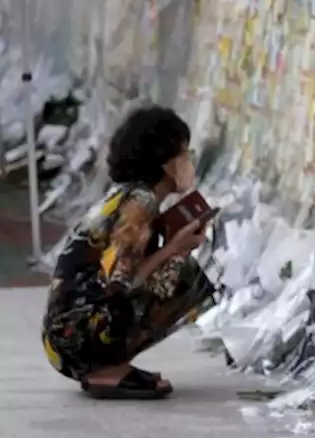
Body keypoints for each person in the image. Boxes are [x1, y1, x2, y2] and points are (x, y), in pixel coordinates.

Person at [41, 106, 218, 399]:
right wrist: (175, 248)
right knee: (182, 274)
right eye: (184, 154)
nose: (189, 162)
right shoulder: (140, 204)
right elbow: (119, 284)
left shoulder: (127, 195)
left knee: (176, 266)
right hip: (79, 338)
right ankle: (107, 368)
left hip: (66, 338)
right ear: (165, 162)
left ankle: (109, 364)